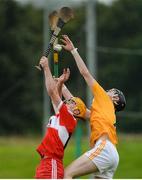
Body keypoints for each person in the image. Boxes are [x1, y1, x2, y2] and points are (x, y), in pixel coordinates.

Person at [61, 35, 126, 179]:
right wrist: (61, 86)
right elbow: (78, 107)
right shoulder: (103, 113)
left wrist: (73, 51)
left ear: (114, 98)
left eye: (112, 91)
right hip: (112, 155)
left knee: (67, 174)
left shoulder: (105, 99)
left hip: (104, 150)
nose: (107, 90)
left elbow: (85, 73)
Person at [35, 56, 87, 179]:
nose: (67, 101)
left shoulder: (69, 118)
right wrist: (60, 83)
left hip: (52, 164)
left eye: (71, 102)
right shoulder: (63, 117)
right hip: (45, 163)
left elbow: (53, 94)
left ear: (76, 111)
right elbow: (55, 97)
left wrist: (47, 67)